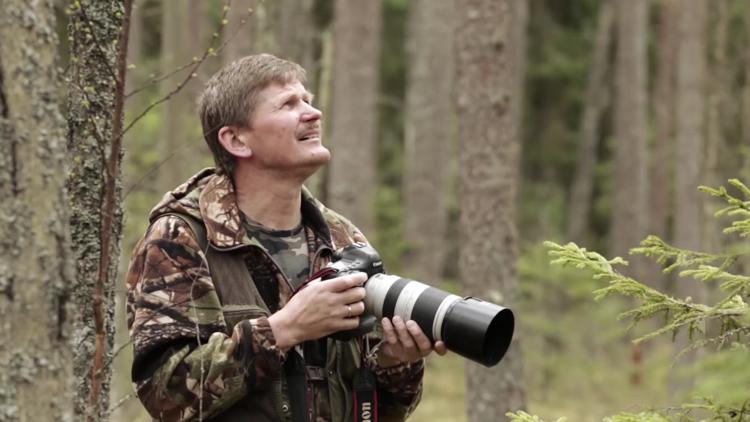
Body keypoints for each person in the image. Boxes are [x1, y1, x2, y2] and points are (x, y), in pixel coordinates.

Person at [126, 53, 446, 422]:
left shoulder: (343, 238)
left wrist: (396, 363)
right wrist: (283, 330)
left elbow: (384, 410)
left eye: (308, 101)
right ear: (236, 140)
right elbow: (165, 397)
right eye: (288, 104)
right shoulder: (183, 237)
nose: (313, 113)